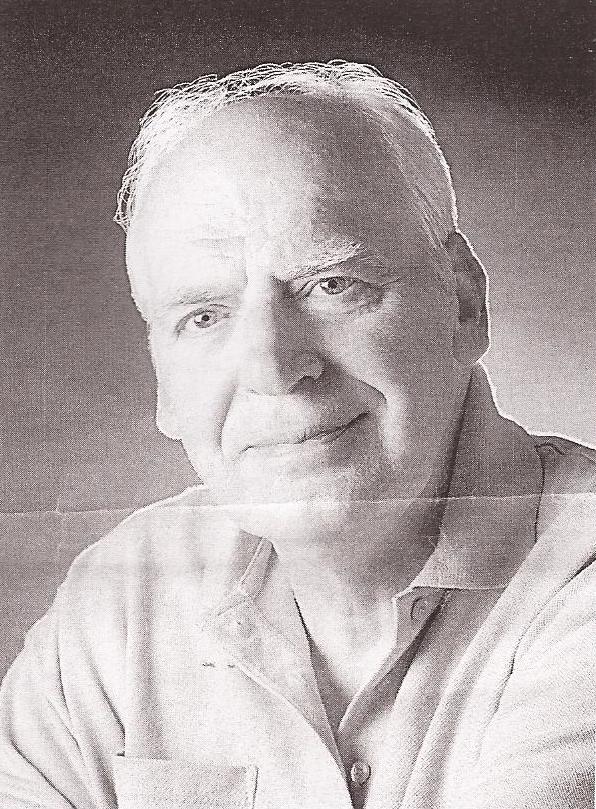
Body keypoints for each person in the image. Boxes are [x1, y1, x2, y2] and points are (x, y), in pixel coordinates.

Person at [0, 60, 594, 809]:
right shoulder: (121, 597)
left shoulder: (581, 572)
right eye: (204, 317)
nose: (273, 368)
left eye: (332, 285)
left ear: (462, 304)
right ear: (163, 383)